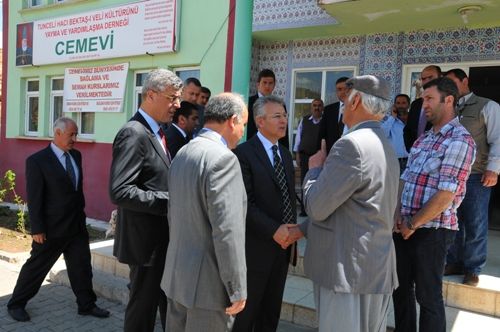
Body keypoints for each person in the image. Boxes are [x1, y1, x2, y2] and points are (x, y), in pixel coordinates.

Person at [303, 75, 399, 332]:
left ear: (356, 101)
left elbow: (317, 206)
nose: (342, 104)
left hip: (347, 273)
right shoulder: (387, 146)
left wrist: (314, 172)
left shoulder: (351, 145)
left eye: (345, 98)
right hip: (374, 268)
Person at [393, 77, 476, 332]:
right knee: (400, 290)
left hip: (433, 230)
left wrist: (413, 222)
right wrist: (397, 216)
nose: (423, 104)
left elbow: (445, 195)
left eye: (429, 99)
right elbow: (404, 180)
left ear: (448, 100)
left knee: (428, 297)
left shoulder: (460, 140)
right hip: (404, 227)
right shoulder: (424, 139)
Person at [161, 93, 248, 332]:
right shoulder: (223, 159)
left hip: (178, 278)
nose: (242, 132)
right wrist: (236, 288)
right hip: (208, 290)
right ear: (232, 120)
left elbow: (174, 215)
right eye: (243, 124)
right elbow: (227, 231)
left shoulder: (184, 152)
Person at [7, 117, 109, 322]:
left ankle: (86, 305)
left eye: (76, 134)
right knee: (36, 268)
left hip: (77, 226)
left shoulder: (76, 156)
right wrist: (37, 228)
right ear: (58, 133)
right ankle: (16, 303)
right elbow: (35, 199)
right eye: (71, 134)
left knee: (81, 267)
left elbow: (75, 191)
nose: (75, 138)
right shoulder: (37, 161)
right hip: (51, 229)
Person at [109, 68, 182, 332]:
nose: (177, 104)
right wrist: (170, 201)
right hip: (146, 245)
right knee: (142, 313)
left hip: (162, 241)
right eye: (172, 98)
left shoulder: (160, 132)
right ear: (151, 95)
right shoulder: (134, 133)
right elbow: (120, 190)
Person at [233, 96, 298, 332]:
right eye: (277, 116)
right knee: (245, 316)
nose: (284, 121)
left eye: (285, 115)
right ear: (260, 121)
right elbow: (244, 204)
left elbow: (288, 198)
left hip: (282, 249)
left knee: (270, 315)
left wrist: (292, 230)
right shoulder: (243, 153)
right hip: (255, 250)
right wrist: (273, 230)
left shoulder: (285, 154)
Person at [444, 68, 500, 286]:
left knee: (476, 222)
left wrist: (493, 168)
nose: (447, 87)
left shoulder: (488, 106)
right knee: (452, 221)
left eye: (451, 82)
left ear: (464, 81)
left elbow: (497, 139)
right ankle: (454, 261)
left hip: (477, 175)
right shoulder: (448, 106)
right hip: (451, 176)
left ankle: (473, 268)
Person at [293, 98, 324, 216]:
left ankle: (317, 209)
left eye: (319, 105)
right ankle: (304, 209)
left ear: (322, 108)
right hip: (305, 156)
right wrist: (297, 155)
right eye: (314, 105)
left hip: (320, 157)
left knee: (320, 182)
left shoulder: (325, 121)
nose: (317, 108)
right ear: (311, 108)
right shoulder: (304, 120)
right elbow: (298, 138)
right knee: (304, 183)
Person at [403, 65, 442, 151]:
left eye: (431, 77)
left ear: (440, 78)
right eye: (424, 79)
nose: (427, 81)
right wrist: (411, 149)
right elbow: (408, 129)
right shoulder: (416, 104)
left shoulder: (446, 103)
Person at [247, 69, 289, 148]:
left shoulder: (280, 104)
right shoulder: (248, 103)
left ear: (274, 85)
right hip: (252, 148)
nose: (267, 86)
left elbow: (284, 131)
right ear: (258, 84)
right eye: (264, 83)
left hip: (274, 149)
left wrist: (285, 152)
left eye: (270, 83)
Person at [317, 76, 350, 153]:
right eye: (339, 89)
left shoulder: (357, 110)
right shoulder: (328, 110)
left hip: (350, 156)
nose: (342, 92)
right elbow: (322, 135)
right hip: (331, 155)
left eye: (345, 89)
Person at [381, 94, 410, 173]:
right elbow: (382, 134)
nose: (401, 106)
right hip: (394, 161)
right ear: (394, 105)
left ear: (408, 105)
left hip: (411, 161)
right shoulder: (388, 120)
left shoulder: (413, 119)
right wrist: (393, 117)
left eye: (404, 103)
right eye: (398, 103)